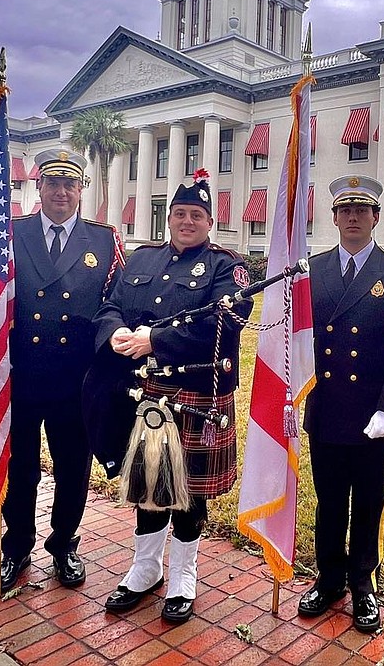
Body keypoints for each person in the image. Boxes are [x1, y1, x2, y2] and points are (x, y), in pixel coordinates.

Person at [87, 169, 253, 624]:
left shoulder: (227, 266)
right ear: (169, 217)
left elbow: (226, 321)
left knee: (190, 492)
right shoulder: (141, 260)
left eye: (195, 214)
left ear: (209, 221)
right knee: (148, 484)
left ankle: (183, 576)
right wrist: (116, 331)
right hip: (145, 390)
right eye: (179, 213)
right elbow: (111, 305)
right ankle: (145, 569)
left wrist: (155, 339)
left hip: (197, 391)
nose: (186, 221)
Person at [0, 149, 124, 594]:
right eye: (52, 183)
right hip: (21, 375)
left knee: (72, 469)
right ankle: (17, 546)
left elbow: (114, 303)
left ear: (81, 189)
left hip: (75, 380)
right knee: (21, 468)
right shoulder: (10, 233)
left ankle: (65, 543)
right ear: (39, 188)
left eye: (70, 184)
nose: (61, 192)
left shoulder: (105, 240)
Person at [298, 175, 384, 633]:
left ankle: (363, 585)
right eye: (344, 210)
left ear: (376, 217)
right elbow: (298, 343)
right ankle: (329, 579)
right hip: (327, 409)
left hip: (373, 413)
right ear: (333, 218)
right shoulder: (310, 270)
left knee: (368, 503)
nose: (352, 217)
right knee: (329, 502)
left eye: (361, 210)